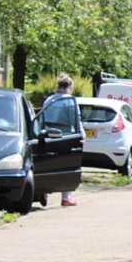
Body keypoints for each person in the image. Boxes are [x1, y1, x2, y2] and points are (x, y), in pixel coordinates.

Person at [42, 73, 83, 207]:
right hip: (66, 136)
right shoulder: (70, 101)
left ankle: (43, 191)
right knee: (68, 164)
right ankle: (66, 197)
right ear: (70, 86)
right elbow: (75, 120)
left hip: (48, 135)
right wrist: (81, 135)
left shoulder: (49, 100)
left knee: (47, 163)